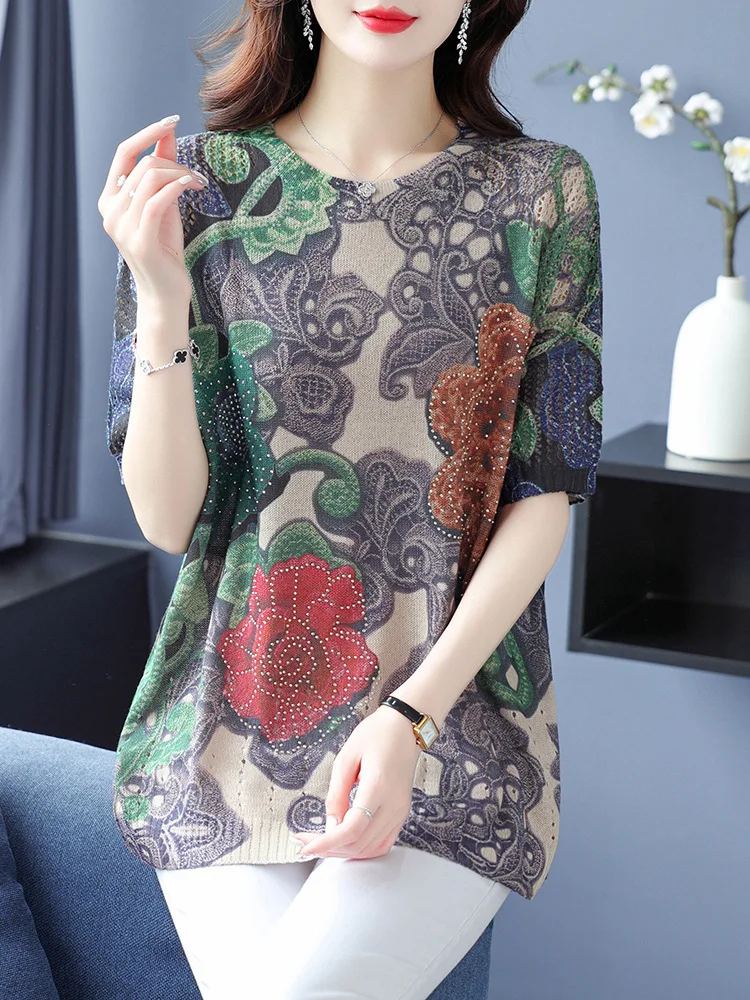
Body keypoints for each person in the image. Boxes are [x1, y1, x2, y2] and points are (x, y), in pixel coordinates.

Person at [98, 0, 604, 996]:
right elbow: (168, 520)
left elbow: (544, 494)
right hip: (224, 729)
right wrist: (160, 297)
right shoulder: (198, 189)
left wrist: (410, 717)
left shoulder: (543, 191)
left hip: (456, 725)